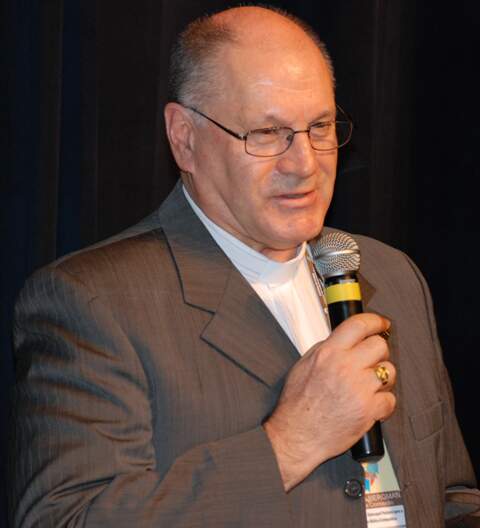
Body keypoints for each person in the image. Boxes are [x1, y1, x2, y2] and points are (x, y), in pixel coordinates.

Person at [8, 5, 479, 527]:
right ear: (184, 138)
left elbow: (451, 497)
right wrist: (288, 444)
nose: (304, 163)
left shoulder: (391, 274)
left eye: (320, 126)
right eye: (266, 132)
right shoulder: (94, 303)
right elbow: (66, 519)